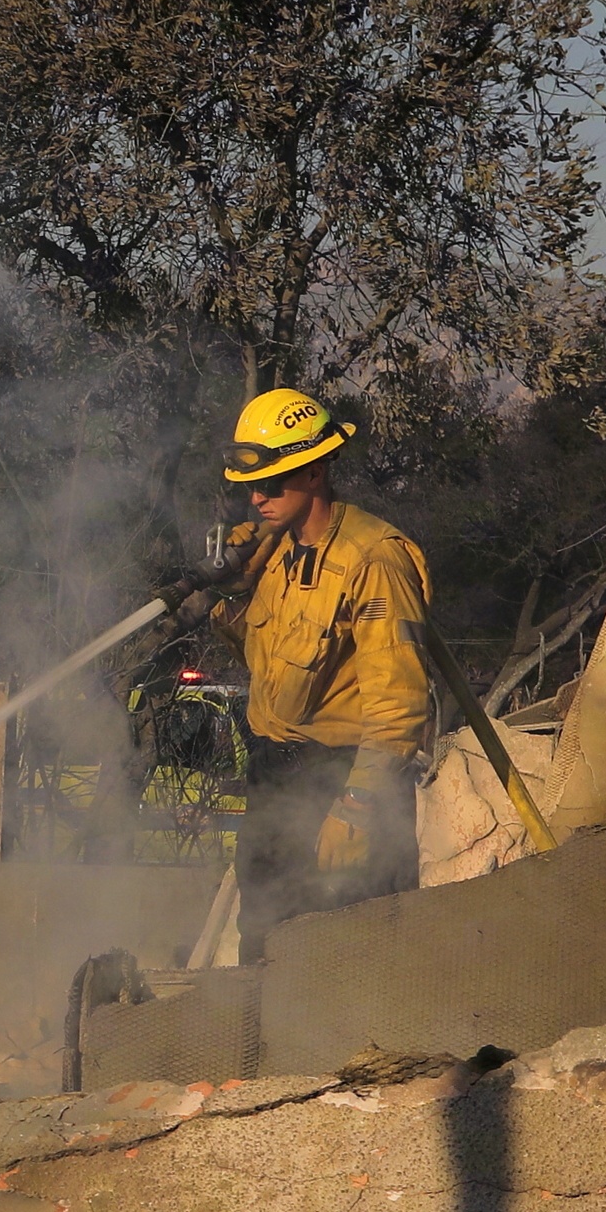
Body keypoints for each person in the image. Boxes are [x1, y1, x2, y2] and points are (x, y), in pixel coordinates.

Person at [220, 387, 431, 959]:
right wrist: (231, 590)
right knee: (263, 946)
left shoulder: (374, 559)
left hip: (341, 781)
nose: (257, 498)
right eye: (250, 487)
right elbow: (265, 663)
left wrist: (357, 806)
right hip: (275, 779)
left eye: (271, 484)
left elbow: (399, 703)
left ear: (315, 472)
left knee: (352, 957)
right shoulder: (274, 554)